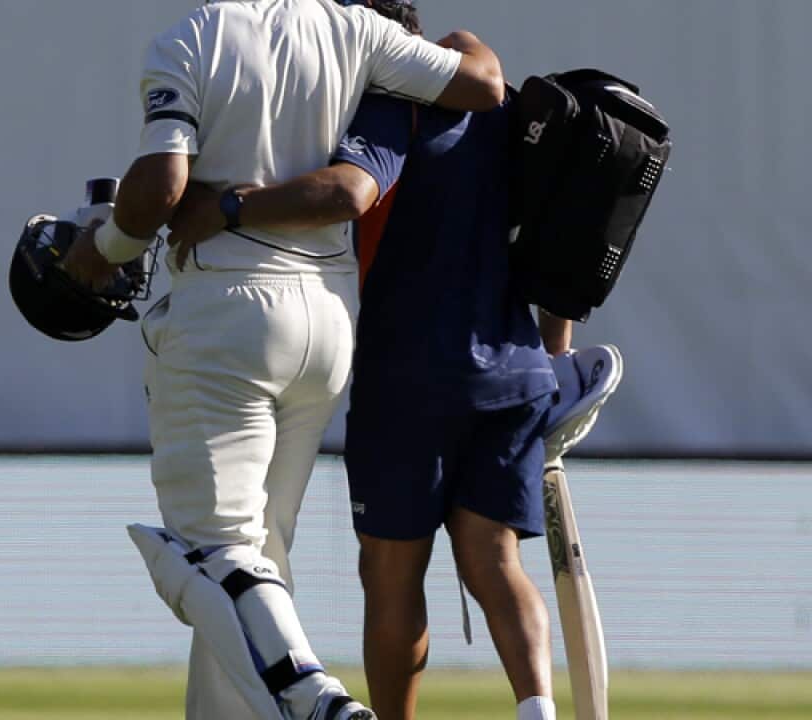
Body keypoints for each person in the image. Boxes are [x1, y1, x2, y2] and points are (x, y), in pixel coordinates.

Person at [165, 4, 620, 719]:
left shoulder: (389, 102)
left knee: (390, 572)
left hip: (409, 376)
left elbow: (348, 193)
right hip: (516, 373)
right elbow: (557, 245)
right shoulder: (500, 101)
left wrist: (227, 208)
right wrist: (553, 360)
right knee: (495, 560)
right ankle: (537, 711)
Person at [61, 1, 507, 718]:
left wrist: (106, 247)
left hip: (228, 311)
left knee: (212, 553)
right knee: (260, 555)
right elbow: (483, 85)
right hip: (326, 319)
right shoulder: (356, 28)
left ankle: (319, 702)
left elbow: (163, 185)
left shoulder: (192, 36)